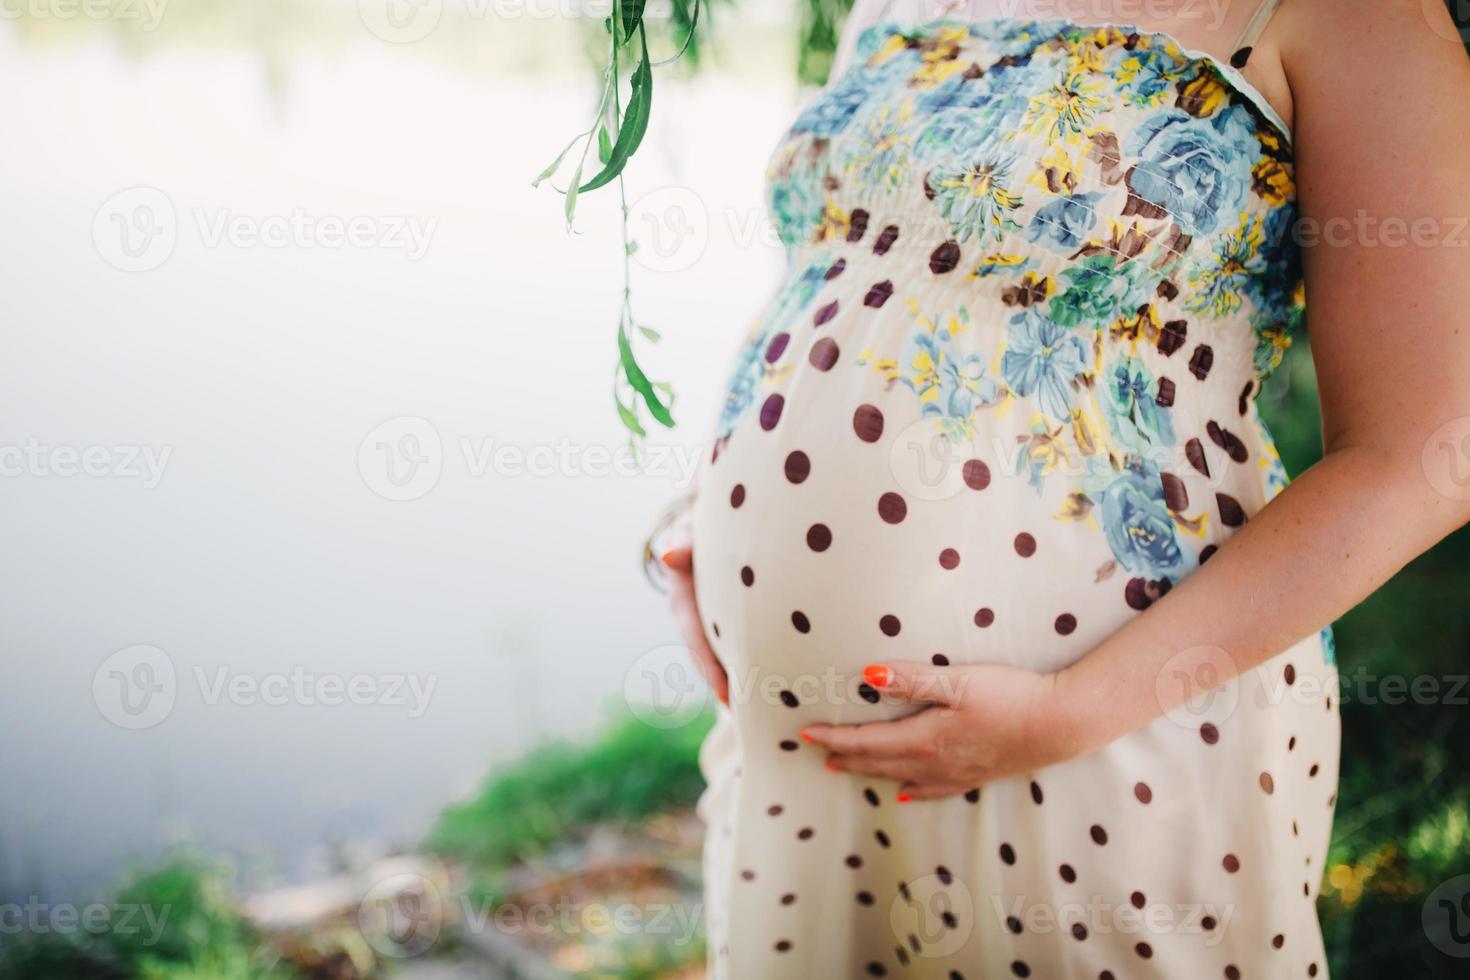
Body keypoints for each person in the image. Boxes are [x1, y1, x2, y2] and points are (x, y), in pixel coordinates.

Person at [650, 0, 1470, 975]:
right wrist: (717, 503)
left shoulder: (1356, 16)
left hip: (1102, 730)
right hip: (806, 756)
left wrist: (1074, 707)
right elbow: (855, 263)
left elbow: (1425, 451)